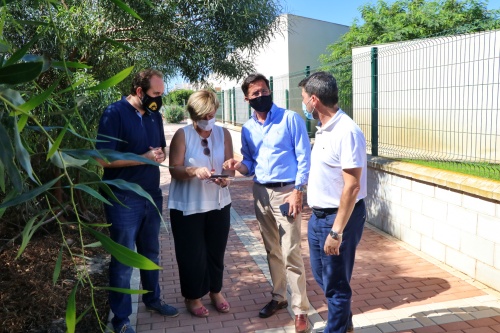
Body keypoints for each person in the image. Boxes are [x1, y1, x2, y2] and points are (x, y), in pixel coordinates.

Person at [223, 73, 311, 333]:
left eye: (264, 91)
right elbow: (250, 164)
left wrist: (298, 190)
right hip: (261, 193)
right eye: (255, 94)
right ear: (247, 98)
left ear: (270, 91)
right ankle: (278, 297)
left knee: (291, 251)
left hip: (286, 193)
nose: (261, 96)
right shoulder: (248, 128)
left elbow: (304, 157)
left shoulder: (290, 118)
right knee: (272, 249)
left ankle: (300, 310)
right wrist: (238, 165)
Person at [96, 69, 178, 333]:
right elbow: (102, 159)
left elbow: (159, 150)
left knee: (150, 252)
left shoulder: (153, 116)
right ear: (139, 91)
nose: (159, 99)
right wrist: (143, 156)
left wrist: (159, 155)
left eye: (161, 94)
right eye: (155, 94)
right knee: (123, 261)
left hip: (151, 195)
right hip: (122, 198)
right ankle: (120, 320)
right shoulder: (114, 113)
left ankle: (152, 299)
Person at [298, 71, 367, 333]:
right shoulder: (325, 129)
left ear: (314, 100)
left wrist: (336, 232)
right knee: (323, 276)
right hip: (318, 217)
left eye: (304, 98)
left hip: (338, 220)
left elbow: (352, 186)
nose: (303, 104)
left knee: (336, 284)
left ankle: (337, 328)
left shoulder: (346, 131)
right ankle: (345, 324)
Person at [168, 90, 235, 318]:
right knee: (191, 255)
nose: (208, 120)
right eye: (203, 115)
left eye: (211, 114)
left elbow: (228, 166)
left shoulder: (224, 133)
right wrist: (194, 170)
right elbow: (174, 170)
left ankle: (215, 291)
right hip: (188, 206)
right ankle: (193, 297)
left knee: (216, 252)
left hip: (218, 204)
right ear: (193, 114)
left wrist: (226, 177)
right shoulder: (182, 135)